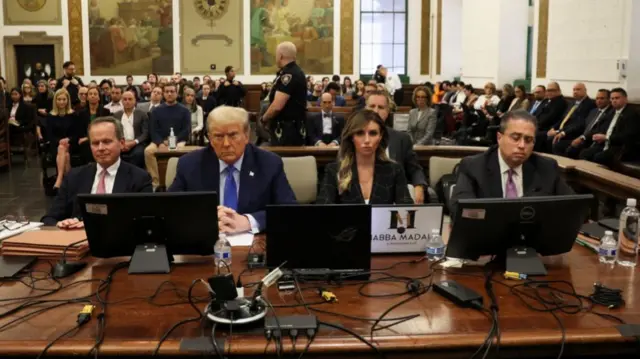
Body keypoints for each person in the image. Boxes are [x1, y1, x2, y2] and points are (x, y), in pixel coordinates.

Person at [169, 106, 297, 233]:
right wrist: (206, 219)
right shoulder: (189, 164)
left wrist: (249, 221)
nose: (226, 144)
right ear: (210, 138)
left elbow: (289, 210)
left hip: (254, 244)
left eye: (233, 135)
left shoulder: (269, 163)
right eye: (218, 137)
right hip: (205, 245)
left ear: (246, 136)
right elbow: (170, 209)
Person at [450, 110, 574, 217]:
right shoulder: (474, 166)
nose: (522, 145)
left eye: (528, 140)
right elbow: (460, 210)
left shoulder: (546, 167)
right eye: (515, 138)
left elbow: (574, 206)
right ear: (499, 138)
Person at [41, 117, 152, 228]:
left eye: (107, 142)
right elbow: (49, 218)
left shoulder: (139, 179)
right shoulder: (74, 177)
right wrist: (60, 224)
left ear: (122, 143)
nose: (101, 148)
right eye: (95, 143)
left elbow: (145, 223)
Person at [317, 110, 413, 205]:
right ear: (351, 137)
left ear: (380, 136)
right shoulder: (334, 170)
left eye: (373, 133)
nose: (367, 140)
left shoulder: (394, 170)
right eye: (360, 133)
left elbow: (407, 211)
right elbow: (323, 211)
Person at [366, 90, 429, 204]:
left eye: (381, 107)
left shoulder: (401, 138)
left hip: (394, 195)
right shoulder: (353, 136)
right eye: (372, 106)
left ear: (388, 111)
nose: (375, 111)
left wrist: (419, 185)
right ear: (365, 109)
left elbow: (414, 169)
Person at [260, 41, 308, 146]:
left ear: (280, 56)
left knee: (285, 160)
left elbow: (277, 106)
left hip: (287, 130)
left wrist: (264, 119)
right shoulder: (293, 71)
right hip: (291, 128)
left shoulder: (289, 74)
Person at [144, 84, 191, 188]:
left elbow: (186, 130)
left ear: (176, 93)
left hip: (179, 141)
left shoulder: (184, 110)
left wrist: (173, 141)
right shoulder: (156, 111)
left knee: (178, 151)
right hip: (159, 141)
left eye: (172, 91)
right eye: (167, 92)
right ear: (163, 94)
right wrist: (160, 142)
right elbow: (153, 129)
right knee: (148, 151)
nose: (169, 94)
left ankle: (177, 182)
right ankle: (156, 182)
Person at [578, 88, 640, 167]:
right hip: (606, 144)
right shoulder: (611, 112)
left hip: (620, 147)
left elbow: (628, 136)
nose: (614, 101)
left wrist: (607, 137)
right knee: (585, 153)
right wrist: (595, 136)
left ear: (625, 99)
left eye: (617, 98)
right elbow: (601, 128)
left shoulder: (631, 114)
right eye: (612, 98)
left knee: (599, 157)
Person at [547, 83, 596, 154]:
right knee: (548, 136)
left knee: (554, 141)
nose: (575, 92)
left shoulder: (589, 104)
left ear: (585, 91)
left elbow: (579, 124)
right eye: (574, 90)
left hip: (574, 133)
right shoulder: (572, 103)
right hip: (564, 130)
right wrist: (554, 128)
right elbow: (563, 118)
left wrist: (561, 132)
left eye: (578, 89)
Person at [564, 89, 613, 159]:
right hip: (583, 137)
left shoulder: (610, 113)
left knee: (579, 152)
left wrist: (583, 138)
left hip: (594, 141)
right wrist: (564, 132)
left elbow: (599, 130)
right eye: (597, 98)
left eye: (602, 98)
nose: (599, 101)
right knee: (560, 145)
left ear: (609, 100)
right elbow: (583, 125)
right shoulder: (593, 111)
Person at [47, 89, 80, 190]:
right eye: (59, 99)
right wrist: (60, 141)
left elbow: (77, 134)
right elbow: (49, 135)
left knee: (63, 149)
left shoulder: (73, 115)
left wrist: (68, 139)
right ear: (55, 101)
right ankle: (68, 180)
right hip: (56, 145)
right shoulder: (51, 116)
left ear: (68, 100)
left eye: (64, 99)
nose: (61, 102)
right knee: (64, 152)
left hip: (72, 144)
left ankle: (59, 179)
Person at [113, 91, 148, 168]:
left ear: (135, 100)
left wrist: (134, 142)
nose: (127, 101)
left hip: (137, 143)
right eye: (125, 99)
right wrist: (121, 144)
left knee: (138, 154)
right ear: (121, 101)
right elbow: (114, 132)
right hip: (121, 143)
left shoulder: (142, 114)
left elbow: (145, 133)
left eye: (130, 99)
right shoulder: (116, 115)